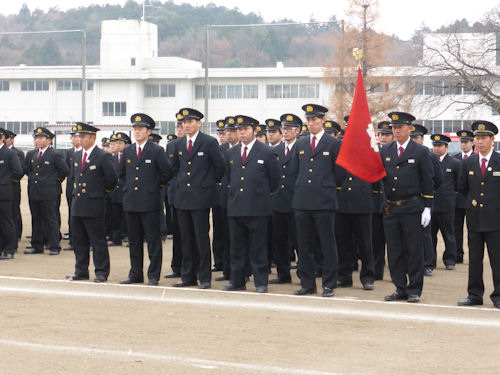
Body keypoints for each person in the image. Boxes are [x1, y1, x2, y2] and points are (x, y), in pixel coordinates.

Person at [379, 112, 434, 303]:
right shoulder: (385, 150)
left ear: (409, 129)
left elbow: (428, 180)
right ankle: (400, 287)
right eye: (394, 128)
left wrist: (428, 207)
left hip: (412, 207)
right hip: (391, 208)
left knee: (413, 250)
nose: (396, 131)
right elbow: (380, 178)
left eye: (400, 127)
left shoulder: (420, 152)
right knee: (394, 250)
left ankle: (414, 289)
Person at [222, 115, 279, 293]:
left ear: (254, 131)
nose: (241, 132)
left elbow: (275, 180)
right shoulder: (231, 152)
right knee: (237, 247)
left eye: (245, 129)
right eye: (239, 129)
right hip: (236, 206)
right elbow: (227, 176)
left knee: (258, 247)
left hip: (258, 207)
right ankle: (237, 280)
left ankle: (261, 282)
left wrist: (262, 196)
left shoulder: (266, 152)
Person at [170, 108, 225, 289]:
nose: (186, 125)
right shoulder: (178, 144)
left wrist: (206, 184)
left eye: (190, 122)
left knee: (201, 238)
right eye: (183, 123)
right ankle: (188, 276)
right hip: (182, 198)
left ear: (199, 123)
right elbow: (175, 168)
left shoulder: (208, 142)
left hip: (201, 198)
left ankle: (204, 277)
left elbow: (220, 167)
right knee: (185, 238)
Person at [292, 104, 342, 297]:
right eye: (309, 119)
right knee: (304, 245)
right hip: (303, 201)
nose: (311, 123)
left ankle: (329, 284)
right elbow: (296, 171)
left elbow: (339, 173)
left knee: (327, 244)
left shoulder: (333, 143)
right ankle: (307, 284)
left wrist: (328, 188)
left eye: (315, 119)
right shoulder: (301, 144)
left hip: (324, 201)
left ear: (323, 120)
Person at [119, 113, 172, 286]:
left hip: (150, 202)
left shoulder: (157, 150)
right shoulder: (127, 151)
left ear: (149, 131)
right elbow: (121, 174)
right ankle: (135, 274)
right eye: (135, 129)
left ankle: (153, 275)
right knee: (134, 242)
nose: (137, 132)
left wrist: (153, 187)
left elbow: (167, 173)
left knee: (153, 241)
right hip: (132, 202)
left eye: (141, 129)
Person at [65, 123, 117, 282]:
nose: (79, 139)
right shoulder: (77, 156)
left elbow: (111, 180)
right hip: (78, 203)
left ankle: (101, 271)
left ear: (92, 138)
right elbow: (74, 178)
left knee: (97, 240)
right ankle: (81, 270)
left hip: (94, 204)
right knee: (79, 240)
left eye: (83, 136)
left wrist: (98, 194)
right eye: (79, 136)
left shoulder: (102, 156)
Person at [458, 121, 500, 309]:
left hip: (496, 219)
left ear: (492, 139)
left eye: (484, 138)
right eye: (478, 138)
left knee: (497, 259)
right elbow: (462, 188)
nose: (480, 142)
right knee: (474, 259)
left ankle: (498, 295)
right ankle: (474, 294)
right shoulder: (468, 162)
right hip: (475, 218)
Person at [24, 127, 68, 255]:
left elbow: (64, 171)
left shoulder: (54, 154)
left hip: (49, 192)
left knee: (51, 219)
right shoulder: (31, 154)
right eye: (36, 138)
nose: (37, 140)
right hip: (34, 191)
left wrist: (53, 181)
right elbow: (28, 170)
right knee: (36, 219)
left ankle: (54, 245)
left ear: (49, 140)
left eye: (40, 138)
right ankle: (37, 245)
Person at [270, 113, 301, 284]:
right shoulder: (275, 150)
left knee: (300, 242)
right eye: (284, 128)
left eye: (290, 128)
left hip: (296, 202)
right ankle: (283, 274)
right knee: (279, 241)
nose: (286, 131)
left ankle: (304, 274)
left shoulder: (302, 148)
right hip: (278, 202)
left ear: (298, 130)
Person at [410, 123, 443, 277]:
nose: (414, 140)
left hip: (424, 199)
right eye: (412, 137)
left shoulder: (428, 155)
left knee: (425, 233)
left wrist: (427, 192)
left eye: (416, 137)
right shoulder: (405, 153)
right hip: (410, 199)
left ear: (422, 139)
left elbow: (438, 178)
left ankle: (428, 263)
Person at [214, 116, 240, 282]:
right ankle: (225, 268)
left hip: (241, 199)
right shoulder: (221, 149)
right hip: (222, 198)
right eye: (226, 131)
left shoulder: (245, 149)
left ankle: (243, 269)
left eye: (231, 131)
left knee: (239, 237)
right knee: (223, 235)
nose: (228, 134)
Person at [430, 134, 461, 270]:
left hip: (446, 205)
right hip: (430, 205)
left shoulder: (454, 163)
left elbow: (459, 184)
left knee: (449, 234)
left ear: (446, 147)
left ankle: (450, 260)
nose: (436, 148)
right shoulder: (428, 161)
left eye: (439, 146)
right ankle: (430, 262)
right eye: (434, 146)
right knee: (430, 236)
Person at [164, 114, 185, 279]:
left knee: (193, 234)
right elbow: (167, 171)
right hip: (175, 195)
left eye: (182, 126)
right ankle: (177, 266)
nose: (179, 129)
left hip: (194, 196)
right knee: (178, 234)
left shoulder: (201, 144)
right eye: (177, 126)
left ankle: (195, 266)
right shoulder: (171, 146)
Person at [372, 121, 393, 280]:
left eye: (386, 135)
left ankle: (397, 272)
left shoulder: (397, 153)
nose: (383, 138)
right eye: (381, 135)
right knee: (376, 240)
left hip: (393, 202)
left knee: (395, 242)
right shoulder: (375, 152)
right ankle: (377, 271)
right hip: (376, 201)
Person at [0, 128, 23, 260]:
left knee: (7, 222)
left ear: (2, 138)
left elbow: (18, 172)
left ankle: (9, 249)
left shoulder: (9, 154)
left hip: (4, 194)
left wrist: (6, 183)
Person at [453, 129, 474, 264]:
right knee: (456, 229)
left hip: (473, 200)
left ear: (473, 143)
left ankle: (474, 255)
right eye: (462, 142)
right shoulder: (454, 158)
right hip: (457, 200)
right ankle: (457, 255)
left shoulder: (477, 158)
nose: (463, 145)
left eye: (466, 142)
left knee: (473, 229)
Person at [212, 119, 228, 272]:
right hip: (219, 196)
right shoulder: (219, 149)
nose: (224, 136)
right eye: (222, 133)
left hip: (234, 197)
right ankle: (219, 262)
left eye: (227, 132)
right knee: (218, 232)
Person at [109, 132, 131, 246]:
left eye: (120, 143)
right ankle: (116, 238)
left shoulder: (130, 157)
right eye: (116, 143)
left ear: (127, 145)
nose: (117, 145)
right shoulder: (112, 158)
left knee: (128, 217)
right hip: (115, 192)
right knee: (115, 217)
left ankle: (128, 236)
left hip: (126, 191)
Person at [4, 130, 26, 247]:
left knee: (13, 212)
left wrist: (9, 181)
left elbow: (20, 171)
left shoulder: (16, 153)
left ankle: (16, 236)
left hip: (12, 187)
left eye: (8, 138)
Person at [63, 128, 82, 251]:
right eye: (72, 137)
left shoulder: (87, 152)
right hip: (71, 188)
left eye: (76, 136)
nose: (74, 139)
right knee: (72, 214)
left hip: (84, 189)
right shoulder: (69, 153)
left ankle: (85, 241)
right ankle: (73, 241)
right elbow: (64, 170)